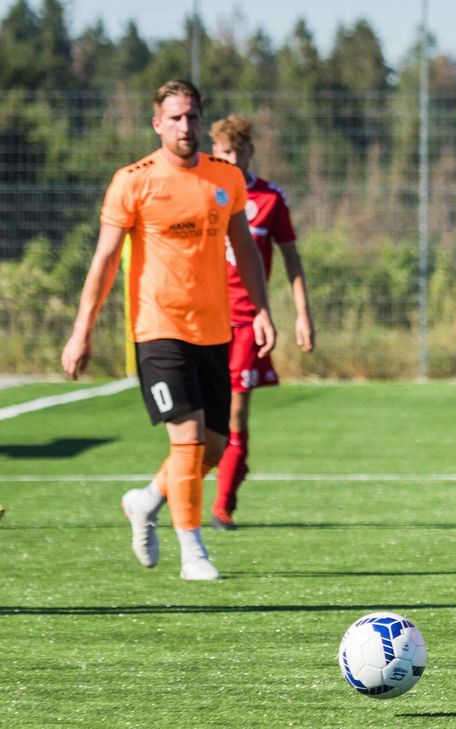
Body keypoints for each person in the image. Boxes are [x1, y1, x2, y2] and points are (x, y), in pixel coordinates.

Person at [61, 80, 276, 581]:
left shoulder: (224, 178)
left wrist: (263, 309)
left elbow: (244, 248)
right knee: (187, 439)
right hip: (158, 328)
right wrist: (82, 330)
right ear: (157, 124)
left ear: (202, 120)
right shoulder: (133, 181)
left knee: (217, 445)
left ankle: (146, 499)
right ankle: (192, 551)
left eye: (193, 117)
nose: (186, 126)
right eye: (175, 118)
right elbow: (106, 259)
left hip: (215, 330)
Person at [208, 115, 315, 530]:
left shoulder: (269, 199)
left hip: (248, 323)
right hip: (203, 319)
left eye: (234, 153)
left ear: (249, 151)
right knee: (201, 419)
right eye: (220, 155)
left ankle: (222, 505)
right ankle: (233, 463)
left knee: (235, 414)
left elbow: (291, 258)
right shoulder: (205, 193)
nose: (228, 161)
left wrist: (303, 315)